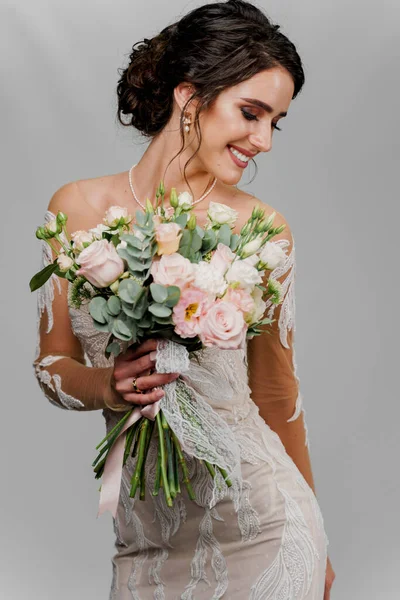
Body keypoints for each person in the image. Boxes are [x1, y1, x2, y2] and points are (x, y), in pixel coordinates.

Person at [33, 1, 336, 598]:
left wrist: (318, 534)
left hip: (263, 524)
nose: (264, 141)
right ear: (189, 96)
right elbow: (51, 368)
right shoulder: (76, 210)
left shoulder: (261, 231)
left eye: (276, 121)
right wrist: (107, 385)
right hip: (144, 539)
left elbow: (277, 391)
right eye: (251, 113)